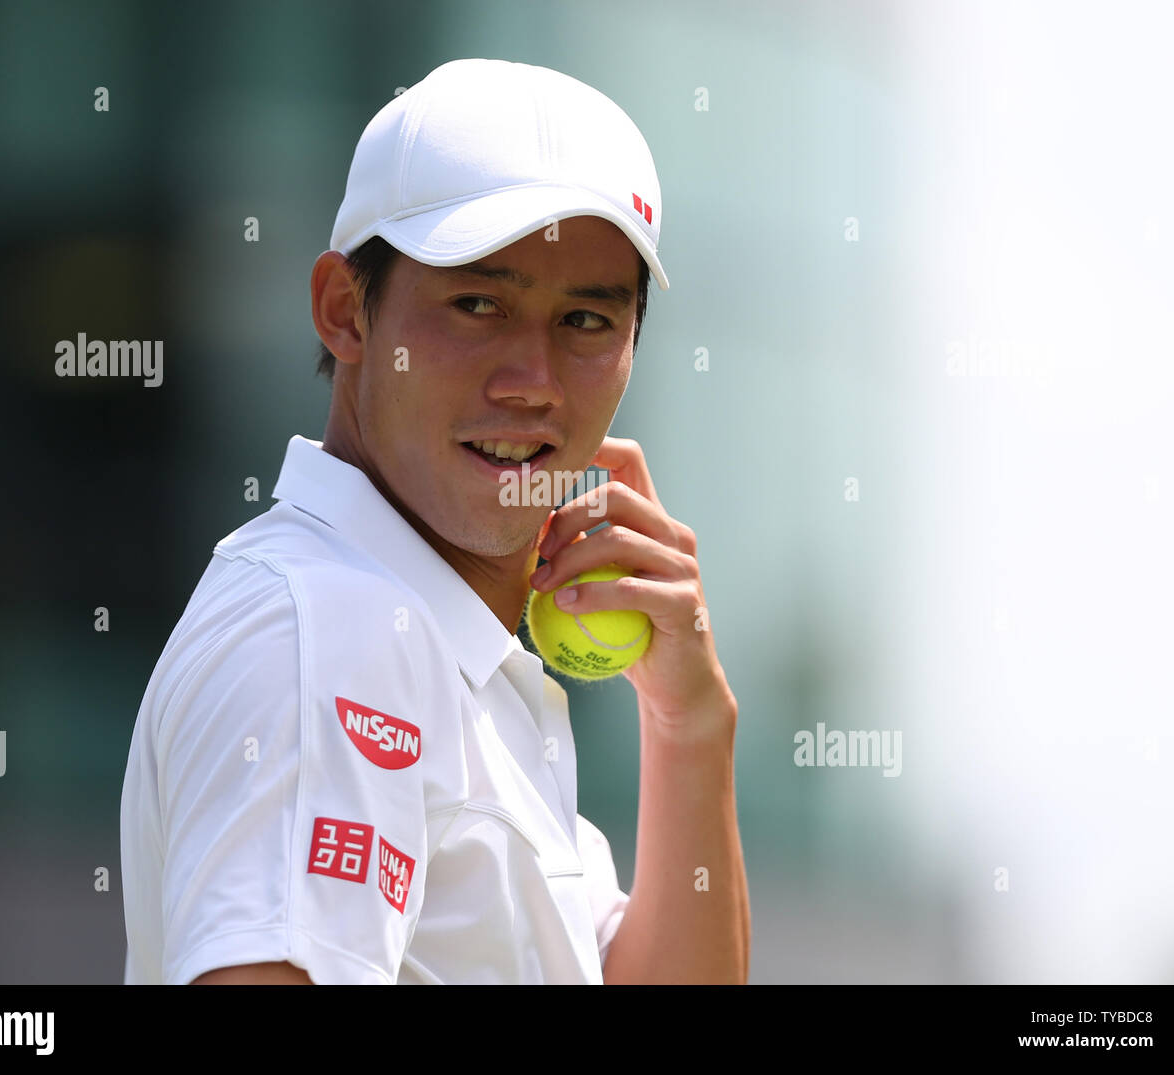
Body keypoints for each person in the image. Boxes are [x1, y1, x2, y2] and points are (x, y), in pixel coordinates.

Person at [119, 57, 749, 985]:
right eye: (478, 303)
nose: (530, 382)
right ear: (345, 311)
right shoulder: (337, 630)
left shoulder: (431, 645)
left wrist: (691, 718)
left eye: (583, 320)